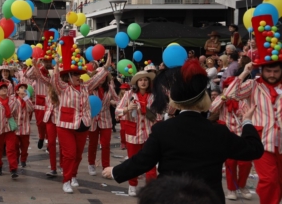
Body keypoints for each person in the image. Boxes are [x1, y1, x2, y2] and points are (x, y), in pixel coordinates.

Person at [103, 58, 264, 204]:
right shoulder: (218, 132)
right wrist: (247, 122)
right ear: (205, 99)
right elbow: (253, 150)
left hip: (170, 198)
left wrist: (116, 171)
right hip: (208, 199)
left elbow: (142, 161)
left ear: (175, 102)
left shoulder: (162, 130)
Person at [40, 35, 111, 194]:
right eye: (76, 75)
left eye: (80, 75)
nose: (79, 77)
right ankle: (66, 180)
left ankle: (73, 175)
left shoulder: (86, 87)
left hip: (83, 124)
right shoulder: (63, 88)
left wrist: (106, 67)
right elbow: (55, 80)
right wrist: (57, 64)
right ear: (69, 77)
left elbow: (98, 79)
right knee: (69, 154)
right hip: (65, 125)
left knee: (78, 155)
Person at [225, 14, 282, 203]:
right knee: (268, 180)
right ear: (262, 70)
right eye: (268, 71)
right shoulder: (254, 85)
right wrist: (244, 72)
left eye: (276, 71)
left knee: (279, 182)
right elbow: (231, 93)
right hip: (262, 141)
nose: (272, 74)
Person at [209, 76, 253, 200]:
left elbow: (249, 114)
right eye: (228, 88)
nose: (231, 90)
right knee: (230, 163)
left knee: (246, 163)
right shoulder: (221, 99)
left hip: (241, 135)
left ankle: (242, 185)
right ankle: (232, 188)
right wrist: (224, 97)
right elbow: (212, 108)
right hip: (227, 136)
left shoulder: (243, 101)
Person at [24, 31, 56, 150]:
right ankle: (41, 136)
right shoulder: (38, 70)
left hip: (51, 101)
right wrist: (34, 65)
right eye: (45, 61)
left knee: (50, 123)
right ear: (42, 61)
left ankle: (48, 141)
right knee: (40, 123)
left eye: (49, 61)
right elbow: (27, 75)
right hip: (39, 101)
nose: (47, 63)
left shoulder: (54, 71)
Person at [87, 74, 117, 177]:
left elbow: (117, 99)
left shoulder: (109, 88)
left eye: (103, 77)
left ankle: (106, 167)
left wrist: (113, 102)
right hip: (93, 119)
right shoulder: (90, 88)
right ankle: (91, 164)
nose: (101, 79)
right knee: (93, 144)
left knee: (105, 144)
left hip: (106, 118)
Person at [0, 81, 20, 178]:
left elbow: (16, 112)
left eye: (5, 88)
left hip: (9, 128)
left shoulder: (12, 100)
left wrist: (16, 122)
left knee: (11, 149)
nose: (4, 90)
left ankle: (13, 169)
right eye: (1, 89)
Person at [14, 83, 33, 168]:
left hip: (25, 127)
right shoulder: (14, 100)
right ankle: (17, 157)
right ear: (17, 91)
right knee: (15, 145)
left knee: (25, 146)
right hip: (16, 128)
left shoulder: (27, 99)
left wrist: (26, 98)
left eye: (25, 88)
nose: (23, 89)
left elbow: (31, 108)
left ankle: (23, 159)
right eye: (21, 88)